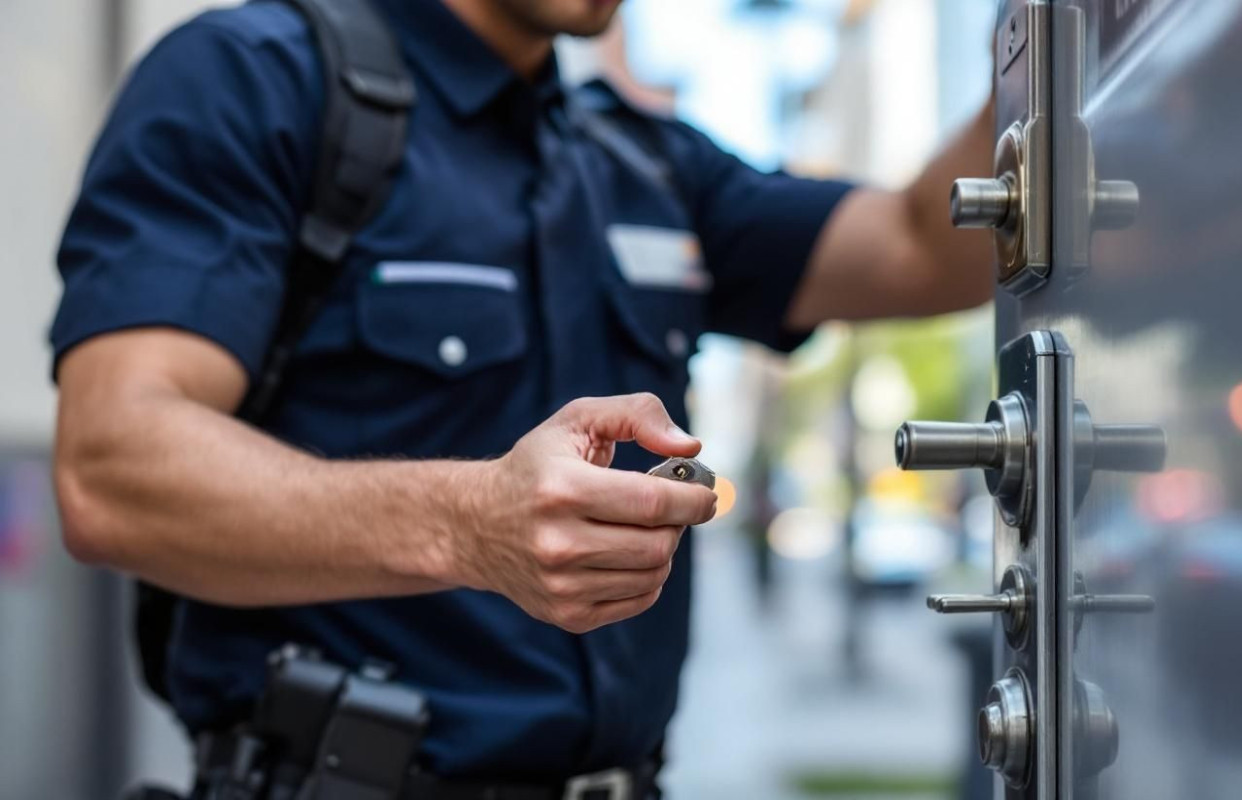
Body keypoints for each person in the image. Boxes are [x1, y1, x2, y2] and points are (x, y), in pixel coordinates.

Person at [50, 0, 993, 795]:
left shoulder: (648, 165)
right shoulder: (255, 79)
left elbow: (919, 243)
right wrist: (467, 524)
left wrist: (1060, 41)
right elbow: (114, 471)